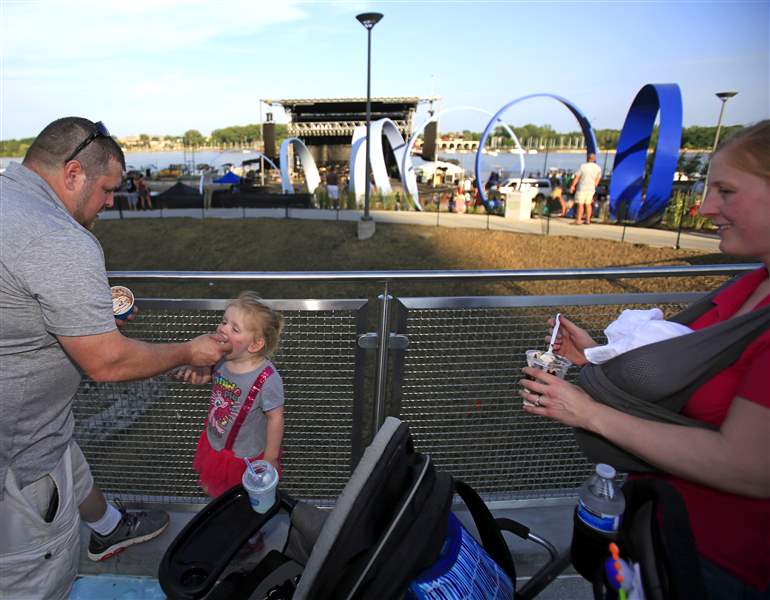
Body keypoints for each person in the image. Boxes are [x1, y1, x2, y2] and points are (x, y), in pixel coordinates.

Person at [519, 120, 770, 598]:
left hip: (722, 565)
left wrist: (588, 413)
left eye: (726, 191)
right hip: (661, 527)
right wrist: (596, 356)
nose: (705, 207)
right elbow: (695, 384)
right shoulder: (751, 285)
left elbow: (750, 467)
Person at [0, 117, 233, 599]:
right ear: (72, 174)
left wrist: (84, 318)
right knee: (35, 583)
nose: (111, 202)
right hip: (18, 464)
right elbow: (106, 363)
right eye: (107, 189)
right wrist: (189, 351)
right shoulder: (56, 237)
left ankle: (109, 526)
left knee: (68, 452)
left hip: (37, 427)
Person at [175, 292, 285, 497]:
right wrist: (197, 370)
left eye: (234, 329)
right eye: (224, 321)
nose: (223, 329)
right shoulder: (220, 358)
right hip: (215, 443)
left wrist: (270, 458)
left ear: (255, 345)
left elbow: (275, 418)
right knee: (214, 492)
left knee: (241, 501)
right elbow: (206, 376)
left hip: (244, 458)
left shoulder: (267, 379)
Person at [569, 153, 602, 224]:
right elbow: (598, 179)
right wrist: (594, 186)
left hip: (582, 188)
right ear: (594, 159)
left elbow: (577, 178)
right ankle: (588, 220)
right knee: (588, 204)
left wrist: (572, 186)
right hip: (591, 189)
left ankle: (578, 220)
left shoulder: (583, 166)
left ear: (587, 158)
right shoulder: (598, 168)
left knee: (580, 204)